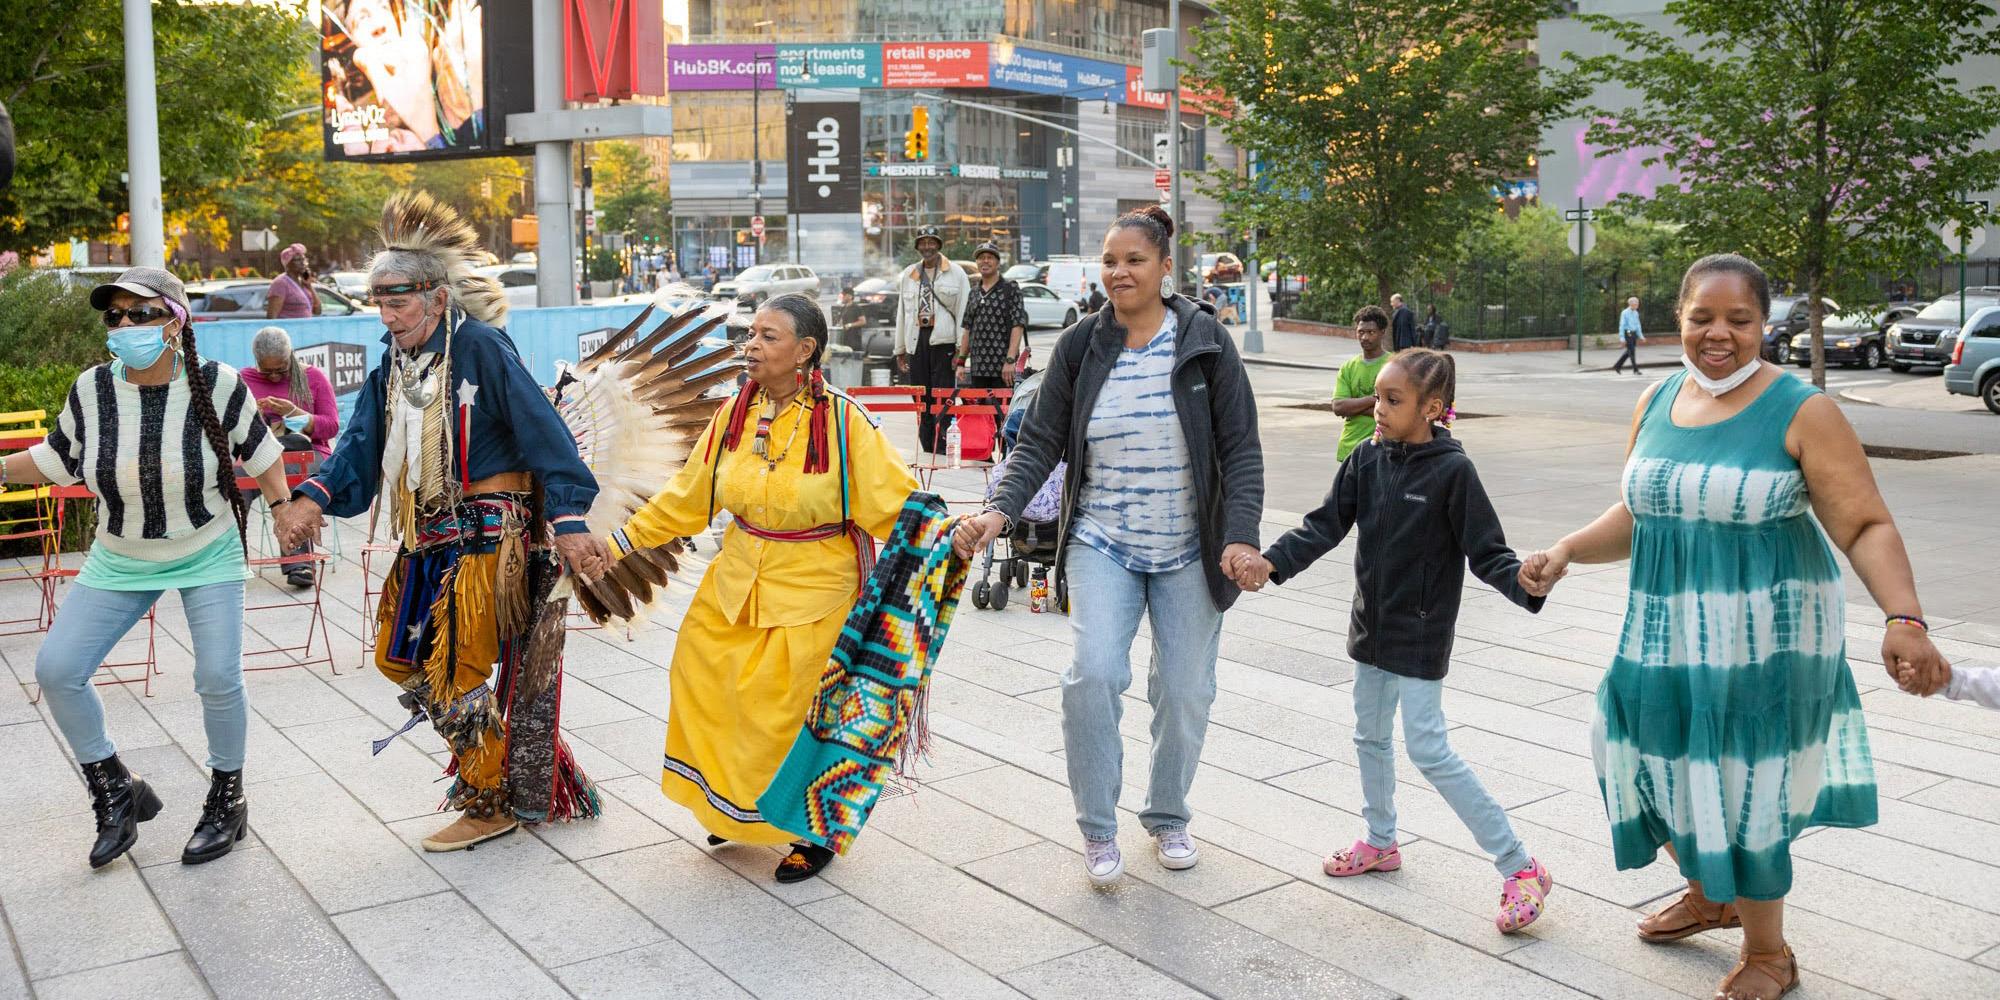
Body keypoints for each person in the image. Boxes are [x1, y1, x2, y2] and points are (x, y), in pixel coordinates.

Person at [1520, 253, 1950, 1000]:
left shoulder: (1800, 408)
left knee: (1742, 778)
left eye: (1739, 320)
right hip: (1667, 628)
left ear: (1764, 325)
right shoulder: (1656, 398)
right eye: (1701, 318)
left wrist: (1903, 617)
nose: (1719, 334)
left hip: (1765, 639)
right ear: (1678, 320)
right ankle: (1710, 890)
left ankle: (1768, 951)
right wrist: (1566, 551)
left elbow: (1864, 523)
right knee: (1647, 744)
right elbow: (1643, 511)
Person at [273, 192, 612, 853]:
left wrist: (569, 517)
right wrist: (310, 498)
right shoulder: (392, 365)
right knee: (398, 659)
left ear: (436, 298)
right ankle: (512, 765)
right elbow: (359, 446)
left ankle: (490, 800)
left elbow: (543, 431)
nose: (389, 315)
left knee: (453, 672)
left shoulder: (481, 348)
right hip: (425, 534)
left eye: (400, 302)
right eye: (380, 303)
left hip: (488, 530)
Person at [952, 205, 1266, 885]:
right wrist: (1000, 511)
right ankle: (1097, 827)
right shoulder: (1081, 345)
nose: (1119, 272)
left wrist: (1240, 537)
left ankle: (1167, 814)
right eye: (1110, 261)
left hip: (1191, 545)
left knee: (1185, 691)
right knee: (1093, 675)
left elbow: (1240, 449)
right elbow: (1038, 440)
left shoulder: (1206, 342)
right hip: (1103, 539)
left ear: (1164, 269)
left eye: (1134, 261)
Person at [1235, 348, 1555, 934]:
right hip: (1371, 627)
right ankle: (1381, 842)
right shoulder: (1366, 458)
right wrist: (1271, 563)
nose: (1376, 409)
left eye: (1392, 400)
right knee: (1369, 736)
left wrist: (1525, 583)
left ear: (1432, 408)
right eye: (1378, 397)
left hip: (1421, 631)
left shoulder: (1453, 472)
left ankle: (1520, 865)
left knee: (1429, 748)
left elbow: (1488, 553)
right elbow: (1325, 523)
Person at [605, 294, 921, 883]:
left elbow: (899, 504)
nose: (750, 346)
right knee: (706, 684)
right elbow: (687, 497)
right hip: (736, 582)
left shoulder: (844, 422)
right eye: (749, 334)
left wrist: (955, 533)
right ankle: (738, 807)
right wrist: (620, 543)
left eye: (768, 337)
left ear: (806, 351)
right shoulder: (733, 416)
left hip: (815, 593)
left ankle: (809, 831)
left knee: (787, 713)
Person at [4, 266, 291, 869]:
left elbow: (263, 455)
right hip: (121, 554)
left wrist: (287, 510)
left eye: (141, 314)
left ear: (175, 322)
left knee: (217, 676)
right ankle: (115, 788)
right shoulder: (93, 389)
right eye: (115, 317)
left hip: (207, 546)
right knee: (57, 669)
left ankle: (227, 798)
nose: (126, 326)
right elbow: (58, 458)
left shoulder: (217, 383)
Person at [242, 326, 341, 588]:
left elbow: (331, 426)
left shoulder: (313, 378)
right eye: (267, 371)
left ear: (291, 357)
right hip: (258, 457)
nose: (274, 376)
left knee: (295, 475)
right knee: (231, 484)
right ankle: (229, 560)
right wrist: (257, 418)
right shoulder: (243, 379)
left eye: (281, 369)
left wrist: (295, 414)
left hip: (309, 454)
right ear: (256, 362)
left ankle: (299, 562)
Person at [894, 224, 970, 452]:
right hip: (917, 342)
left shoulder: (955, 273)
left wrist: (960, 349)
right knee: (921, 395)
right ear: (918, 246)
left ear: (938, 245)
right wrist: (900, 349)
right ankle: (927, 444)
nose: (927, 246)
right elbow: (902, 313)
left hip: (944, 342)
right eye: (923, 242)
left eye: (931, 242)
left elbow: (964, 313)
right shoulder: (910, 274)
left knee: (943, 394)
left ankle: (943, 442)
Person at [959, 241, 1029, 390]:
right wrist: (961, 362)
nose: (985, 261)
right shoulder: (974, 293)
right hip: (977, 368)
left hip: (1003, 369)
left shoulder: (1010, 289)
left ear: (998, 263)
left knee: (1001, 413)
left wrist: (1010, 360)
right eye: (981, 257)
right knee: (980, 413)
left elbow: (1018, 325)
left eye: (990, 257)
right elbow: (967, 328)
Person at [1333, 306, 1392, 461]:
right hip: (1349, 448)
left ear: (1382, 332)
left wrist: (1353, 408)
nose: (1365, 337)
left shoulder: (1395, 365)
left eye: (1371, 332)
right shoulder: (1348, 367)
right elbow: (1338, 407)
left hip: (1383, 449)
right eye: (1361, 332)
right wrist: (1374, 400)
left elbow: (1396, 410)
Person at [266, 243, 322, 320]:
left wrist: (309, 286)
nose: (303, 263)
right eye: (298, 260)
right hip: (289, 330)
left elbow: (318, 310)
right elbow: (272, 317)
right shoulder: (281, 283)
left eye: (304, 259)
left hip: (305, 329)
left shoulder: (303, 283)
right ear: (288, 264)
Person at [1614, 296, 1645, 374]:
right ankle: (1635, 370)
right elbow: (1622, 325)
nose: (1637, 305)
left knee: (1629, 351)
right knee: (1632, 351)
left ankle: (1617, 365)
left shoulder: (1636, 313)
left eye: (1637, 303)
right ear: (1631, 304)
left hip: (1633, 333)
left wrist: (1641, 336)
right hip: (1627, 333)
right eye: (1636, 304)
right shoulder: (1624, 313)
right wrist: (1622, 338)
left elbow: (1638, 325)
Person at [832, 284, 868, 353]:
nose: (842, 297)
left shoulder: (856, 308)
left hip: (854, 340)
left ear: (850, 296)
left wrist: (850, 325)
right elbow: (841, 321)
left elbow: (863, 321)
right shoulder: (843, 308)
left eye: (844, 295)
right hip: (845, 339)